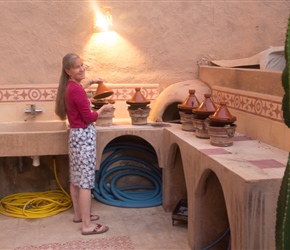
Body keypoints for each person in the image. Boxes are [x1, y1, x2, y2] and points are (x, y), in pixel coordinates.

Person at [55, 53, 111, 235]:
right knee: (86, 183)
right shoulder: (76, 89)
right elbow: (89, 117)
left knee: (76, 178)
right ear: (68, 71)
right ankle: (87, 225)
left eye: (82, 65)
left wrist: (92, 81)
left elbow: (80, 89)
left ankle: (78, 215)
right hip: (84, 137)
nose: (82, 68)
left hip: (75, 136)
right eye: (77, 67)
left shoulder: (69, 86)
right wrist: (103, 108)